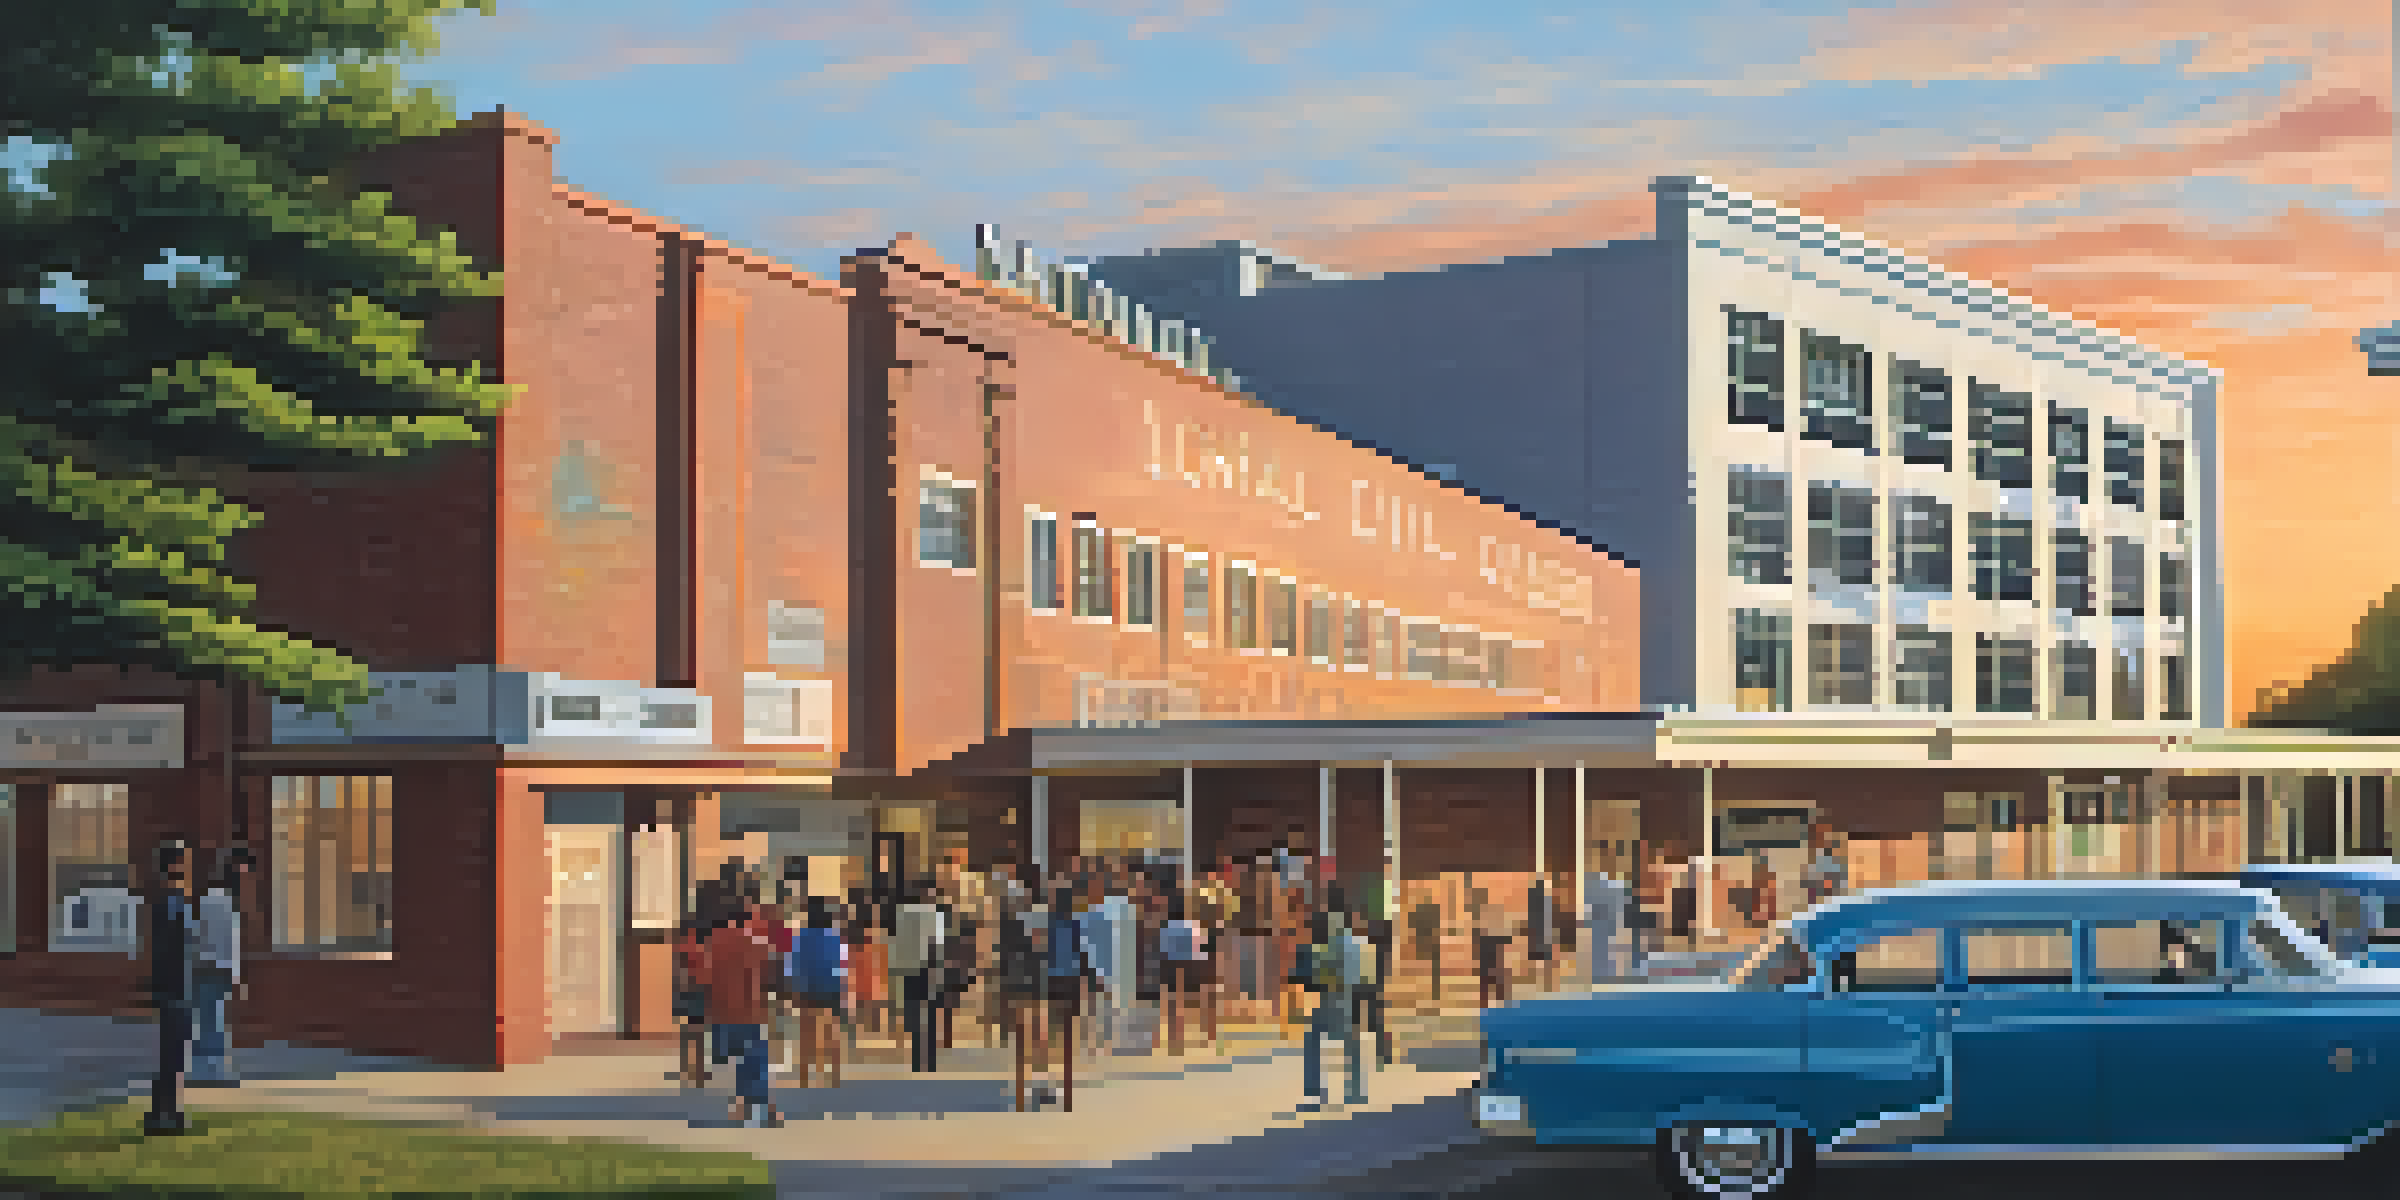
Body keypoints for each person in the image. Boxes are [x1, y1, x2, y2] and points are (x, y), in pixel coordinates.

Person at [703, 888, 783, 1127]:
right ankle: (761, 1108)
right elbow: (770, 976)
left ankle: (741, 1105)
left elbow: (708, 979)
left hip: (723, 1011)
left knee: (738, 1060)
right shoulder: (755, 944)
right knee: (755, 1060)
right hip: (751, 1011)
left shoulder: (713, 943)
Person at [140, 836, 200, 1135]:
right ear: (175, 864)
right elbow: (170, 948)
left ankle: (163, 1112)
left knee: (172, 1053)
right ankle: (167, 1114)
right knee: (173, 1054)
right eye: (184, 859)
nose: (188, 865)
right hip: (176, 988)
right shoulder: (171, 901)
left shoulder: (174, 899)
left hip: (177, 986)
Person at [189, 843, 252, 1087]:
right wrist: (236, 977)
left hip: (205, 967)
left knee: (207, 1019)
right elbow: (228, 944)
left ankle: (203, 1070)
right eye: (244, 870)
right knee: (214, 1020)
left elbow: (198, 936)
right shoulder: (225, 904)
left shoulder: (209, 899)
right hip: (217, 968)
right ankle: (211, 1073)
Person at [1294, 907, 1367, 1107]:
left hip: (1332, 1001)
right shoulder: (1356, 944)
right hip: (1352, 1001)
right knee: (1352, 1045)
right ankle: (1355, 1091)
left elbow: (1314, 977)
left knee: (1312, 1040)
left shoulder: (1325, 946)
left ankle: (1314, 1093)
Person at [1042, 881, 1093, 1110]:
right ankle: (1068, 1087)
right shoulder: (1077, 925)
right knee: (1068, 1034)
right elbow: (1084, 954)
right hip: (1071, 980)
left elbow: (1042, 954)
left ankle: (1053, 1082)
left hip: (1053, 981)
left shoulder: (1049, 925)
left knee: (1053, 1034)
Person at [788, 895, 848, 1088]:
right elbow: (842, 965)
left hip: (806, 988)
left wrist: (793, 988)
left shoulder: (800, 937)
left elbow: (793, 965)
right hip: (830, 987)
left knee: (806, 1033)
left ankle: (804, 1076)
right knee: (832, 1032)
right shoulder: (834, 936)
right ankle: (834, 1075)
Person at [893, 877, 946, 1073]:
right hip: (926, 968)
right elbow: (937, 946)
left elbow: (899, 944)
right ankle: (927, 1059)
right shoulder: (933, 915)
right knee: (927, 1013)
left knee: (917, 1013)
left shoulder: (904, 914)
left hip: (913, 968)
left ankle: (919, 1058)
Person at [675, 880, 724, 1088]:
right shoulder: (717, 921)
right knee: (703, 1022)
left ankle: (688, 1068)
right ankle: (699, 1069)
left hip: (689, 973)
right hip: (706, 974)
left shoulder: (689, 921)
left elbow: (680, 949)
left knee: (691, 1023)